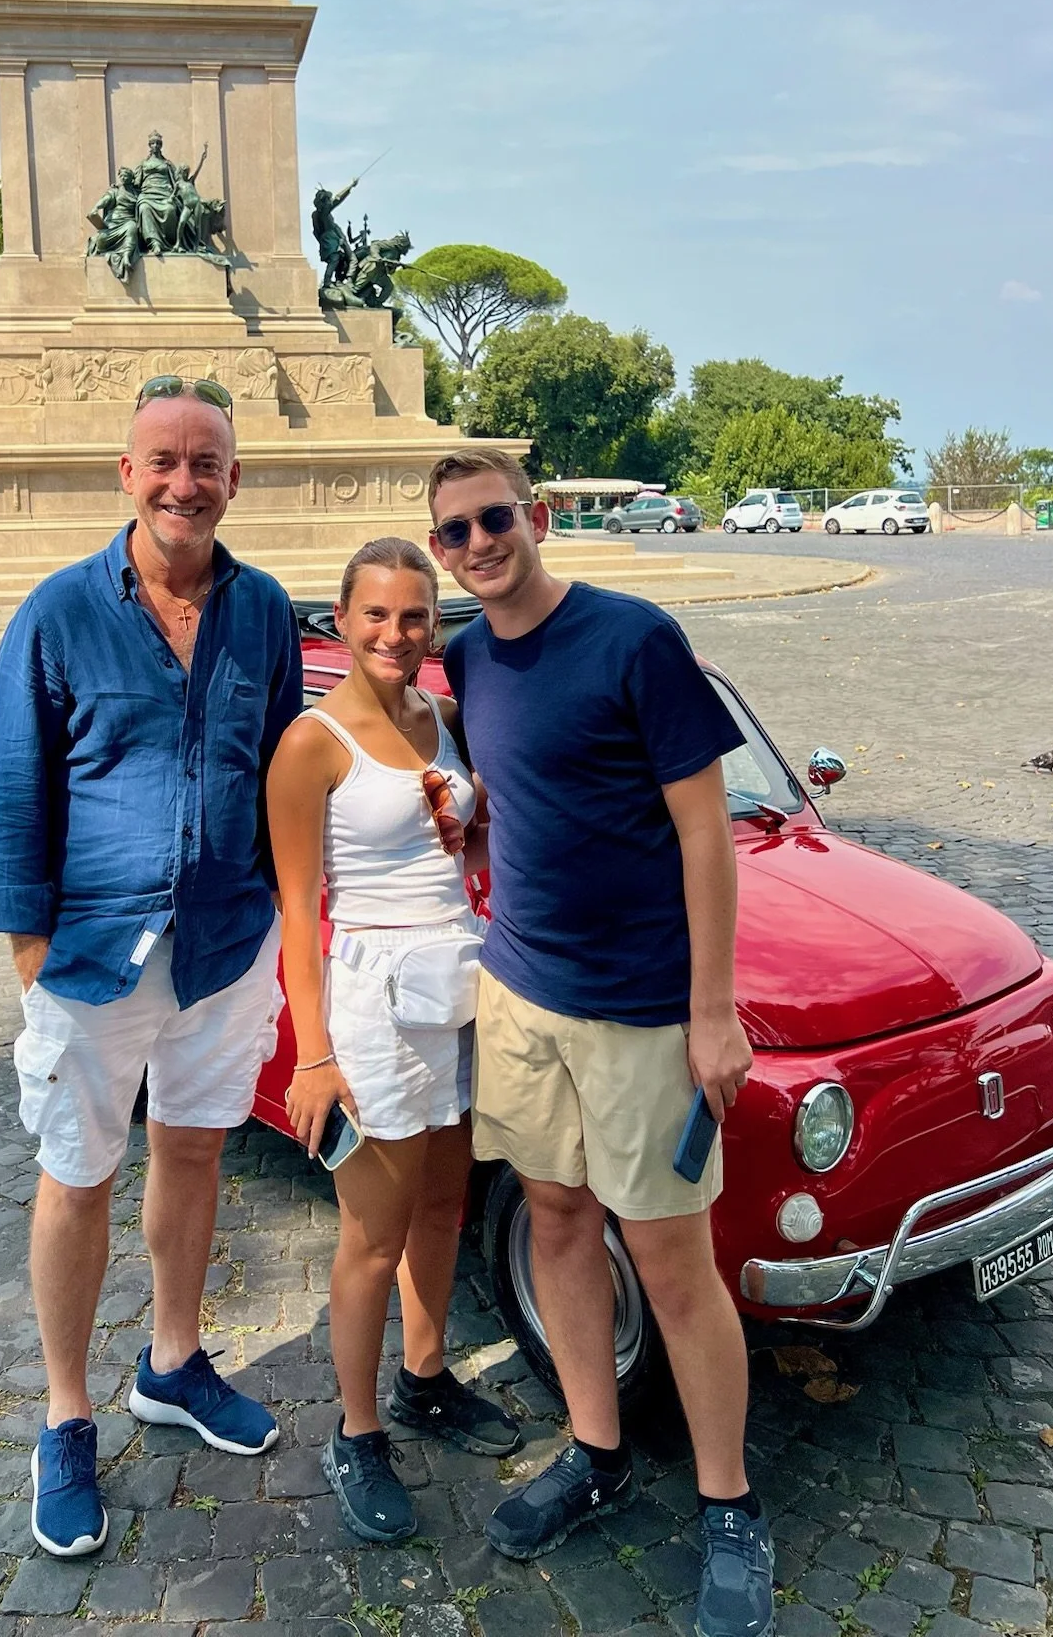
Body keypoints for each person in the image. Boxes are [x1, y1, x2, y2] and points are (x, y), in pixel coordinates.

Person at [426, 447, 775, 1637]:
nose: (479, 542)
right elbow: (496, 793)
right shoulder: (464, 658)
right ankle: (596, 1448)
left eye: (494, 518)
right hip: (522, 993)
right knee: (559, 1219)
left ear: (532, 518)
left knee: (676, 1267)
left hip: (641, 1009)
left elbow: (704, 832)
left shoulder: (636, 637)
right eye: (454, 532)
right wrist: (464, 820)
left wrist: (713, 1007)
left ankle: (729, 1503)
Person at [0, 376, 303, 1560]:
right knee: (77, 1170)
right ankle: (65, 1412)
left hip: (222, 943)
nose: (183, 481)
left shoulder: (263, 611)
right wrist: (29, 954)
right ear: (126, 472)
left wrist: (289, 915)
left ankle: (171, 1358)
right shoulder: (56, 612)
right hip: (92, 951)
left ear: (233, 480)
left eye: (206, 461)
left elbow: (282, 773)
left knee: (197, 1147)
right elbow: (13, 788)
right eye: (163, 459)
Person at [266, 538, 519, 1544]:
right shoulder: (312, 743)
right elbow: (296, 912)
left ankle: (423, 1377)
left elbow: (478, 844)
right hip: (371, 998)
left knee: (445, 1200)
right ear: (342, 616)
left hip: (458, 983)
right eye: (376, 614)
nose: (396, 633)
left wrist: (474, 823)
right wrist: (314, 1054)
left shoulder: (445, 719)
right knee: (371, 1233)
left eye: (415, 616)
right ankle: (356, 1429)